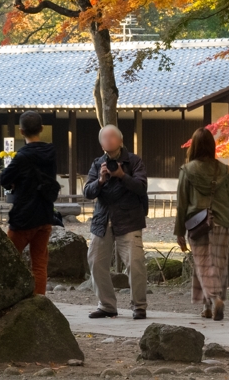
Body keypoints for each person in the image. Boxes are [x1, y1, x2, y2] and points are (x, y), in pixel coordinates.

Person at [174, 128, 229, 320]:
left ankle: (214, 299)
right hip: (221, 222)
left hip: (197, 223)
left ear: (194, 147)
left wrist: (179, 231)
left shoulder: (187, 170)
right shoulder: (223, 170)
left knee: (203, 263)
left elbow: (181, 204)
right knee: (218, 264)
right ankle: (207, 307)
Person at [83, 124, 149, 320]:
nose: (108, 141)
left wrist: (122, 176)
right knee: (95, 261)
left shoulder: (134, 161)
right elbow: (87, 192)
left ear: (120, 140)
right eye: (104, 138)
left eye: (112, 137)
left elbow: (141, 187)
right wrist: (101, 181)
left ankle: (139, 305)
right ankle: (106, 305)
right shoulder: (98, 164)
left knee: (136, 263)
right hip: (102, 220)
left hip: (129, 219)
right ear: (101, 143)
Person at [0, 110, 58, 295]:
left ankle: (6, 296)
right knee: (39, 264)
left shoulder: (22, 156)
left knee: (7, 258)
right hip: (45, 214)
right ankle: (39, 302)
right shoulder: (51, 153)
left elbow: (4, 179)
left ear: (21, 131)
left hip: (24, 217)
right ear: (41, 128)